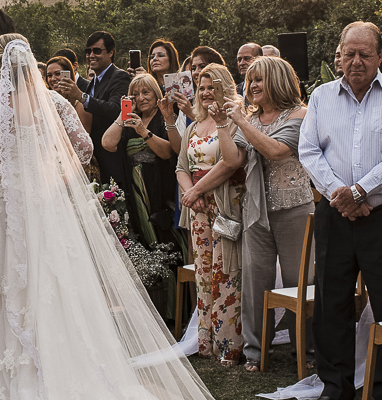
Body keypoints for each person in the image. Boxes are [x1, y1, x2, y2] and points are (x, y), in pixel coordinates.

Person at [0, 37, 341, 400]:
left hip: (7, 219)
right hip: (44, 217)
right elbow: (88, 150)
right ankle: (66, 379)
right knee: (56, 298)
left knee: (6, 299)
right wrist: (48, 177)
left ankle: (9, 387)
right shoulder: (54, 104)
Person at [298, 21, 382, 400]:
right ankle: (335, 385)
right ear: (339, 55)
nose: (356, 61)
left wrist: (361, 192)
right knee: (332, 298)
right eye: (349, 53)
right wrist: (341, 195)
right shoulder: (320, 96)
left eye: (365, 54)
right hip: (334, 213)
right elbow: (309, 152)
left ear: (381, 56)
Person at [219, 56, 316, 372]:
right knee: (255, 283)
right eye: (250, 80)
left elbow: (276, 150)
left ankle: (308, 347)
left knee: (300, 282)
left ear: (277, 79)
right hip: (256, 210)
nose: (252, 85)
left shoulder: (301, 115)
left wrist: (243, 122)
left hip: (294, 210)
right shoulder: (250, 118)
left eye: (259, 79)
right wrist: (223, 123)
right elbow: (233, 159)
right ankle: (255, 352)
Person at [175, 63, 247, 365]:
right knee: (203, 273)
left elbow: (230, 164)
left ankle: (229, 345)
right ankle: (206, 343)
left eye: (212, 86)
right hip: (198, 210)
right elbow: (181, 167)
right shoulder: (193, 126)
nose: (206, 92)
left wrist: (198, 191)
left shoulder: (234, 123)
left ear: (226, 88)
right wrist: (190, 192)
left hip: (225, 205)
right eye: (202, 87)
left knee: (227, 272)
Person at [99, 72, 176, 248]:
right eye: (136, 94)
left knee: (165, 237)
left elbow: (168, 152)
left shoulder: (165, 116)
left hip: (161, 187)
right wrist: (123, 114)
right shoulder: (130, 120)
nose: (141, 98)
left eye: (146, 93)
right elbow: (107, 143)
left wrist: (144, 132)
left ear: (156, 93)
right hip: (135, 189)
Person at [53, 31, 131, 189]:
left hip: (112, 156)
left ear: (110, 52)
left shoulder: (120, 77)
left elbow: (116, 109)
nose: (91, 55)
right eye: (88, 51)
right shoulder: (92, 83)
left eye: (96, 51)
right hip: (94, 159)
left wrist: (81, 97)